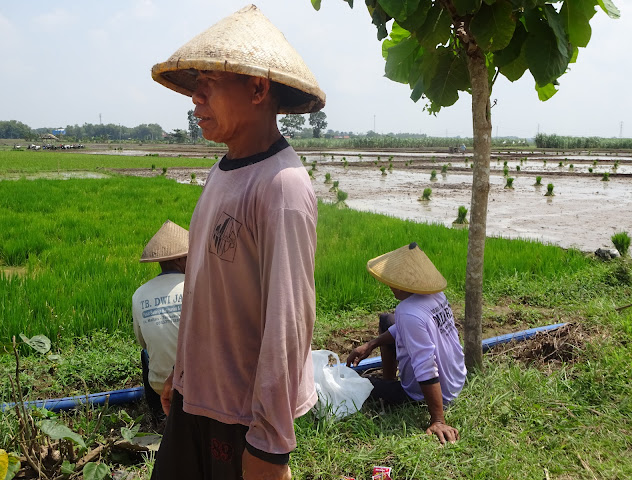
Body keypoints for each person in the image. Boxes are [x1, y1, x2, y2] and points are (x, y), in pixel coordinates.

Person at [149, 5, 324, 480]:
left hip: (242, 418)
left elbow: (288, 323)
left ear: (258, 88)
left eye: (210, 81)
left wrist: (269, 446)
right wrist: (181, 373)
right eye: (195, 84)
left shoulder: (281, 186)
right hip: (197, 397)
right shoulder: (222, 172)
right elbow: (204, 288)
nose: (195, 97)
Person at [346, 242, 467, 445]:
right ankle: (389, 380)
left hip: (433, 393)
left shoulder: (409, 312)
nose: (391, 285)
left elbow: (426, 367)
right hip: (456, 380)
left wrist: (438, 419)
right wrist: (371, 344)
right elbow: (399, 328)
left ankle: (393, 391)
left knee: (355, 384)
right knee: (387, 320)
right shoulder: (435, 294)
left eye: (395, 281)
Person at [132, 220, 188, 423]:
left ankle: (158, 415)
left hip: (159, 383)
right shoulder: (195, 287)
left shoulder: (139, 294)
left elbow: (143, 343)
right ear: (181, 259)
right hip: (197, 384)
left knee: (145, 354)